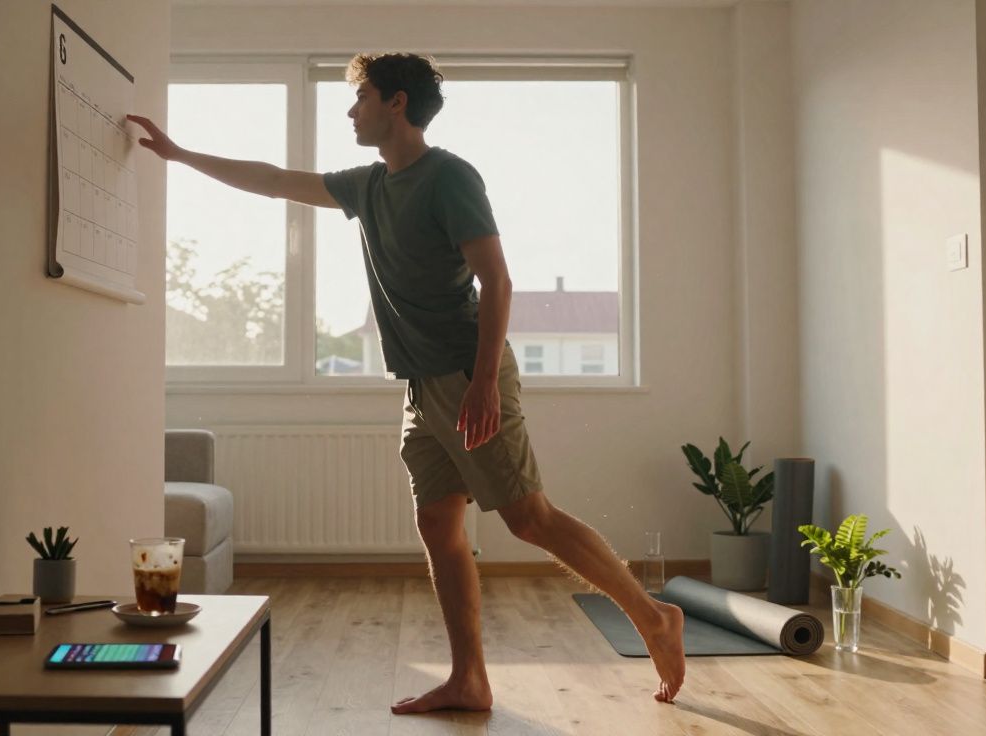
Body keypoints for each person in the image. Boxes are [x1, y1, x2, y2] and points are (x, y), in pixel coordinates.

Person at [127, 51, 685, 713]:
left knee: (527, 519)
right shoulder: (367, 186)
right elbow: (275, 179)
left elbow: (498, 280)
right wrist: (183, 154)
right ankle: (469, 679)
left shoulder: (449, 178)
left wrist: (481, 384)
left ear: (396, 103)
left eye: (360, 97)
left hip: (467, 373)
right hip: (420, 386)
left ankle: (653, 618)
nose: (350, 110)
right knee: (436, 522)